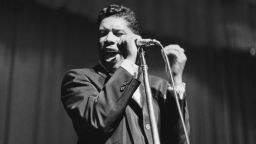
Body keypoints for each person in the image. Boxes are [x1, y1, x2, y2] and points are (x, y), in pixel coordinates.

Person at [61, 4, 190, 144]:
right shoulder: (78, 79)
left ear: (136, 40)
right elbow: (97, 122)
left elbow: (178, 140)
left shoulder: (158, 86)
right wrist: (129, 61)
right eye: (103, 33)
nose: (108, 39)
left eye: (118, 33)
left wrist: (176, 79)